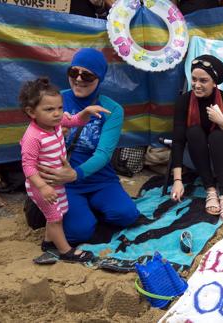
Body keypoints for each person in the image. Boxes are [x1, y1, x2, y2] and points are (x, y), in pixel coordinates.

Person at [37, 48, 140, 245]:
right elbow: (34, 138)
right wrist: (56, 132)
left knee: (127, 215)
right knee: (79, 233)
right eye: (73, 72)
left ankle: (88, 207)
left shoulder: (113, 109)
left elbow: (103, 154)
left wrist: (76, 174)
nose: (78, 79)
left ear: (99, 78)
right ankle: (81, 212)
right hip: (63, 182)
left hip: (99, 178)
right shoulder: (56, 101)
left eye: (87, 75)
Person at [19, 77, 109, 262]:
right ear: (31, 112)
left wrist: (86, 112)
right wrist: (43, 187)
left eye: (60, 107)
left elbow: (75, 120)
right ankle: (66, 251)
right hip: (41, 185)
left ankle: (48, 243)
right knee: (55, 218)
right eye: (49, 109)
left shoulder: (55, 124)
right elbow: (27, 166)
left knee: (60, 211)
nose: (57, 113)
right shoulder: (33, 137)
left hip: (56, 182)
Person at [170, 55, 223, 221]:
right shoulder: (184, 101)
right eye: (194, 79)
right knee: (194, 131)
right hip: (194, 154)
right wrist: (178, 180)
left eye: (203, 80)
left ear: (214, 82)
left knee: (217, 135)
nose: (197, 85)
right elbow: (178, 141)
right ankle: (210, 190)